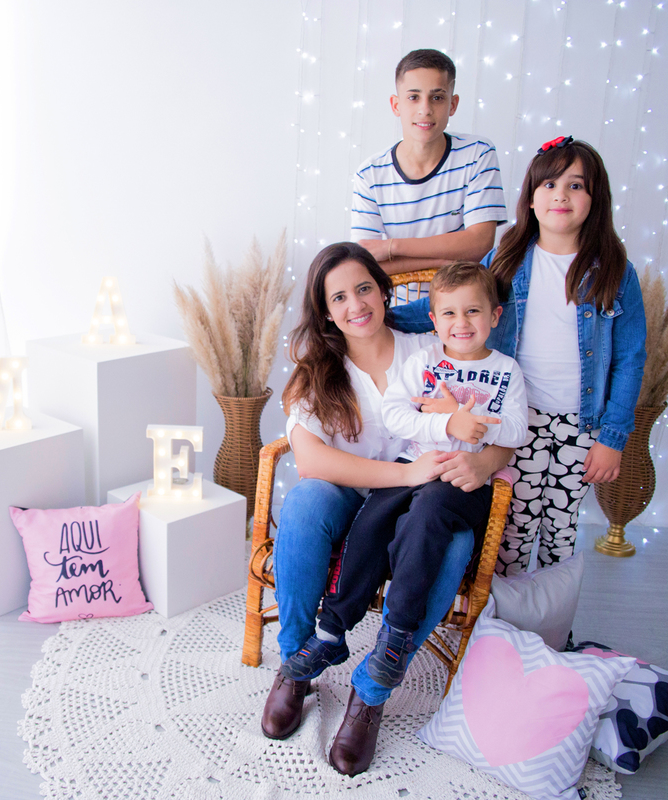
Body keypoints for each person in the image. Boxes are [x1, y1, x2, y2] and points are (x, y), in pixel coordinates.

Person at [258, 243, 515, 757]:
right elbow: (310, 461)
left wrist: (485, 463)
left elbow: (497, 421)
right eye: (339, 298)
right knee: (305, 501)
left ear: (383, 290)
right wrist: (404, 474)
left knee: (455, 540)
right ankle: (296, 665)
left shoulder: (431, 348)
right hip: (348, 498)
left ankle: (371, 691)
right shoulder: (318, 370)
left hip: (421, 507)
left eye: (364, 289)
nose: (355, 305)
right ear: (325, 311)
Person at [388, 137, 646, 575]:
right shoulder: (509, 259)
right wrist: (382, 318)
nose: (560, 195)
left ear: (595, 199)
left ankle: (552, 614)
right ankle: (504, 613)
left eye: (576, 186)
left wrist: (612, 438)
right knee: (510, 529)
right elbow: (447, 304)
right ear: (530, 197)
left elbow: (630, 359)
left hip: (582, 424)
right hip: (516, 419)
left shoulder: (615, 271)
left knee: (561, 530)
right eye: (549, 185)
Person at [351, 49, 507, 275]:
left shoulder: (478, 154)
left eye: (437, 98)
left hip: (461, 296)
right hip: (397, 297)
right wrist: (441, 261)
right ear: (396, 105)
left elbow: (480, 244)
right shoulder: (370, 174)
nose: (425, 109)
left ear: (453, 104)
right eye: (413, 97)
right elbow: (365, 264)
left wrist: (392, 247)